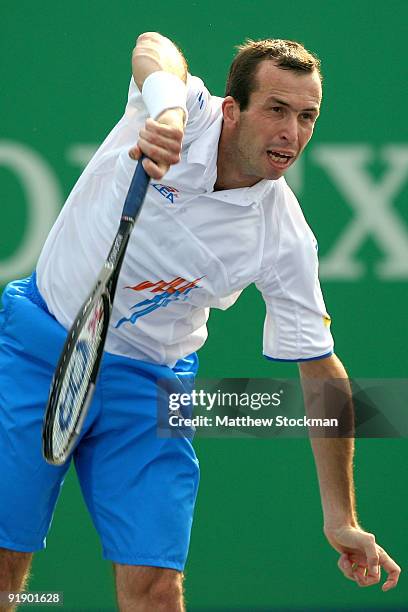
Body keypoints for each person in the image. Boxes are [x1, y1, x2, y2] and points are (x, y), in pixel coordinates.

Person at [0, 31, 401, 611]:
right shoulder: (181, 109)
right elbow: (150, 45)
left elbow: (320, 368)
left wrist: (341, 518)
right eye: (278, 110)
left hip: (150, 385)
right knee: (5, 564)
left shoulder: (283, 236)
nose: (293, 132)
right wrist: (163, 109)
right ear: (231, 110)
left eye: (308, 116)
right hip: (42, 347)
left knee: (158, 589)